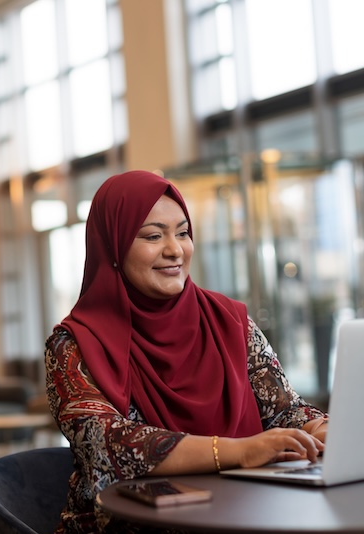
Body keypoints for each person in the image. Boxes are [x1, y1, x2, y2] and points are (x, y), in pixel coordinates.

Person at [45, 170, 328, 533]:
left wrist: (321, 428)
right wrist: (240, 451)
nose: (175, 249)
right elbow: (110, 444)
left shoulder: (230, 320)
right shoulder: (74, 345)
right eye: (152, 236)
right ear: (113, 247)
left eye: (182, 233)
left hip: (248, 509)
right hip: (134, 523)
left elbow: (283, 411)